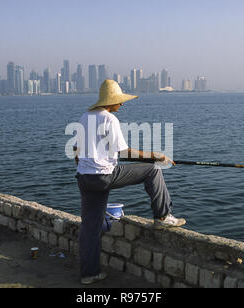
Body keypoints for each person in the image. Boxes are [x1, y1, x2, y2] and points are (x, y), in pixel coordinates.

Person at [74, 79, 186, 285]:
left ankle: (89, 274)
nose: (122, 104)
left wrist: (90, 162)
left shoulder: (85, 117)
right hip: (103, 176)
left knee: (90, 227)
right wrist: (156, 155)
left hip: (84, 178)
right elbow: (124, 151)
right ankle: (162, 217)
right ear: (110, 102)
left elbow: (76, 150)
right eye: (119, 100)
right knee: (152, 170)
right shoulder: (109, 120)